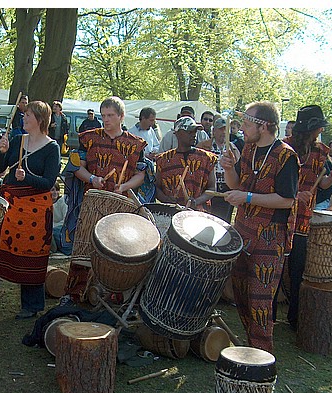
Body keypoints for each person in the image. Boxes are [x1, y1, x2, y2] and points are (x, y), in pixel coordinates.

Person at [220, 101, 300, 353]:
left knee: (260, 301)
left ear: (264, 125)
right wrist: (228, 169)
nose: (242, 127)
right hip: (243, 230)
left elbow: (287, 200)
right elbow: (236, 186)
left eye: (247, 122)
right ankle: (251, 349)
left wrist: (248, 198)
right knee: (241, 295)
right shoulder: (248, 150)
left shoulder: (287, 156)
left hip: (269, 238)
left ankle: (262, 359)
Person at [0, 101, 61, 319]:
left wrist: (27, 177)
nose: (24, 118)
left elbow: (49, 181)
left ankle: (31, 305)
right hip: (10, 205)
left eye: (28, 115)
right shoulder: (16, 140)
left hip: (36, 210)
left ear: (40, 119)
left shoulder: (52, 148)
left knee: (32, 253)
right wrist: (1, 152)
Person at [63, 96, 147, 301]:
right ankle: (75, 293)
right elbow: (75, 168)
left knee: (116, 250)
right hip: (91, 202)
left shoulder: (135, 145)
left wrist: (125, 186)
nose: (106, 120)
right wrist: (92, 178)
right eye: (103, 115)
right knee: (84, 247)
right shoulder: (88, 138)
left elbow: (141, 174)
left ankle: (109, 296)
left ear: (121, 116)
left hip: (120, 204)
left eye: (110, 115)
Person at [281, 105, 332, 330]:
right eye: (317, 127)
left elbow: (323, 183)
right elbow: (275, 183)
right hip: (281, 214)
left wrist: (331, 177)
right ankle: (266, 315)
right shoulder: (284, 147)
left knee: (298, 269)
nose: (320, 131)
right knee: (277, 267)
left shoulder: (321, 151)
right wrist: (294, 194)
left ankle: (294, 317)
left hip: (303, 218)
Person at [155, 116, 217, 210]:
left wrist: (196, 201)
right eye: (189, 132)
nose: (194, 134)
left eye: (195, 131)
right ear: (178, 133)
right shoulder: (163, 160)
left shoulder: (207, 159)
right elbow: (156, 187)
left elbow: (212, 188)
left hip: (198, 214)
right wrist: (166, 199)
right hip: (172, 212)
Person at [198, 116, 241, 222]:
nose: (224, 132)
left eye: (226, 130)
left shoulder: (233, 148)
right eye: (221, 129)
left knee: (224, 221)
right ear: (214, 131)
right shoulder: (203, 146)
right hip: (208, 189)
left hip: (226, 190)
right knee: (207, 220)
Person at [50, 180, 68, 253]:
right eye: (52, 190)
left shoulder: (62, 201)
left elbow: (66, 220)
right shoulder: (45, 205)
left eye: (57, 190)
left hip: (62, 229)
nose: (55, 193)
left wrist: (51, 228)